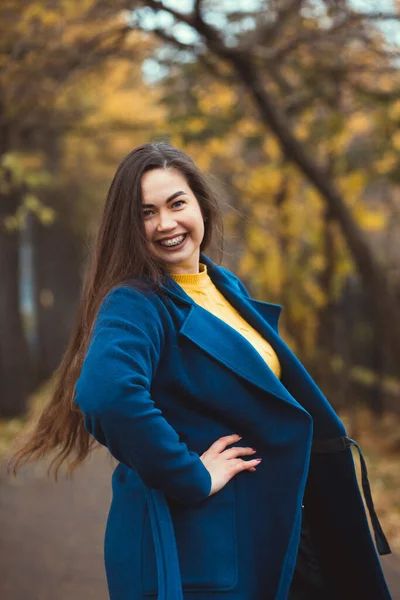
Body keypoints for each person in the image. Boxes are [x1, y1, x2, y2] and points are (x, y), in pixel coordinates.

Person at [11, 142, 392, 600]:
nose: (165, 223)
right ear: (128, 226)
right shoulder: (137, 301)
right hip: (204, 545)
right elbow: (106, 394)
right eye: (146, 213)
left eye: (177, 203)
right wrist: (191, 474)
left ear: (201, 206)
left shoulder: (222, 285)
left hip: (269, 525)